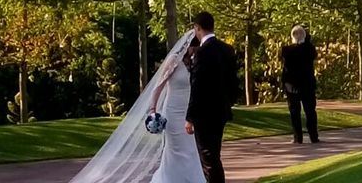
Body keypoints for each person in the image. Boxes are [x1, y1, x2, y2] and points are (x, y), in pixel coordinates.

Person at [68, 29, 205, 183]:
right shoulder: (173, 60)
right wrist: (153, 110)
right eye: (195, 47)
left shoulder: (197, 64)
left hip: (189, 114)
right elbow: (158, 87)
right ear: (187, 45)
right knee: (175, 151)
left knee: (192, 151)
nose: (196, 51)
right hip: (172, 113)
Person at [185, 12, 239, 183]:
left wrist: (190, 117)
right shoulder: (227, 49)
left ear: (197, 28)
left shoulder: (201, 53)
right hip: (221, 111)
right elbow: (233, 82)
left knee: (208, 159)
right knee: (214, 155)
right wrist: (227, 102)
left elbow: (197, 87)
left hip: (204, 114)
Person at [281, 25, 319, 144]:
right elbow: (312, 52)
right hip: (307, 84)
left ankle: (298, 137)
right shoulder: (309, 49)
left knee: (294, 112)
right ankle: (313, 136)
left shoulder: (286, 50)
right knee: (310, 111)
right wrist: (306, 38)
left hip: (291, 85)